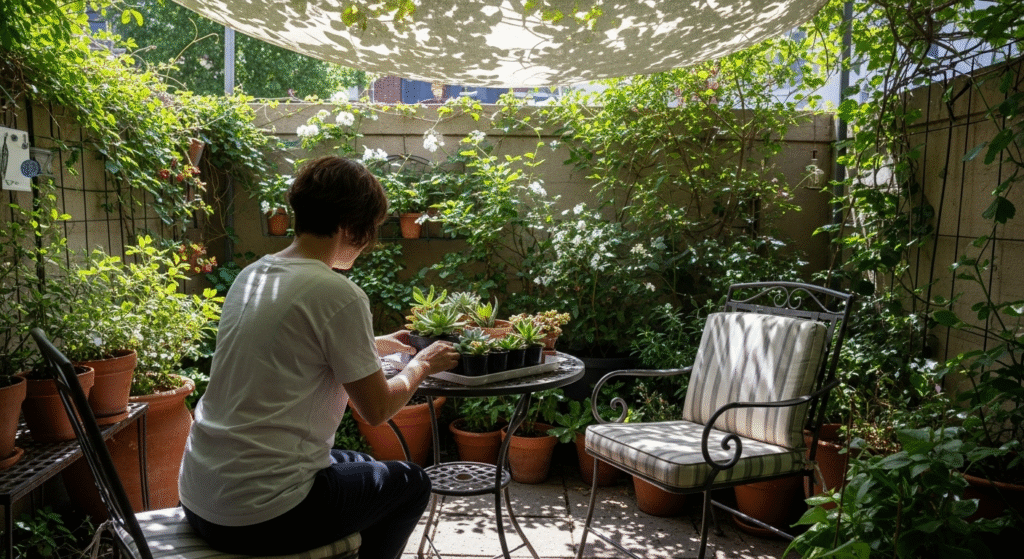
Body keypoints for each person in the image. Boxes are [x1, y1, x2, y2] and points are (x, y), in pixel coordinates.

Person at [178, 156, 458, 558]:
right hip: (260, 516)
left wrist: (377, 343)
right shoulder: (337, 293)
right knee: (411, 483)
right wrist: (422, 364)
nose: (371, 242)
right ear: (351, 227)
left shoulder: (254, 275)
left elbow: (289, 345)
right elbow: (377, 408)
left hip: (202, 497)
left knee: (358, 461)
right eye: (372, 231)